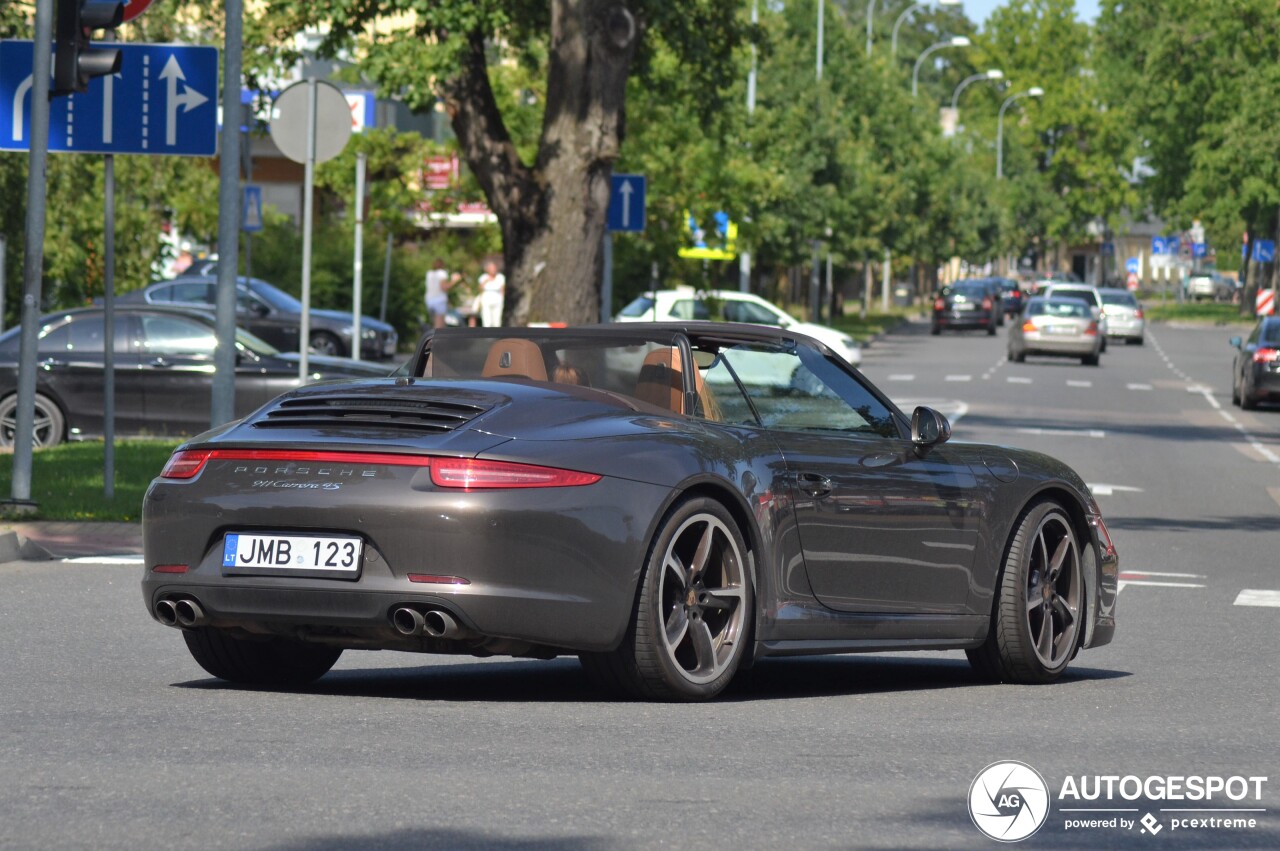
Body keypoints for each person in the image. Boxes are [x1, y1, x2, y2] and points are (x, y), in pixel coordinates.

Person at [424, 260, 453, 328]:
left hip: (429, 300)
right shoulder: (442, 273)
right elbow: (444, 287)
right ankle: (438, 339)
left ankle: (435, 337)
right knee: (439, 327)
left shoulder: (429, 273)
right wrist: (454, 281)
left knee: (435, 324)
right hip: (439, 300)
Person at [477, 260, 506, 327]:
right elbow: (480, 288)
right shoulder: (483, 277)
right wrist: (487, 280)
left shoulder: (500, 277)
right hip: (487, 297)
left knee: (497, 320)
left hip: (497, 298)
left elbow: (502, 289)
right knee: (486, 318)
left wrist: (503, 299)